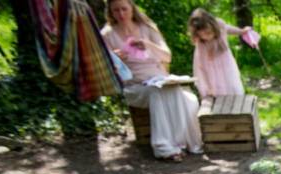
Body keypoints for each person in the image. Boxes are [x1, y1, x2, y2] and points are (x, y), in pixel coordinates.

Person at [102, 0, 203, 162]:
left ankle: (181, 143)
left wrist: (147, 44)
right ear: (110, 12)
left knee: (175, 90)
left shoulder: (147, 28)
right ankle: (164, 148)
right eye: (116, 11)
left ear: (132, 8)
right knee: (156, 92)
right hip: (133, 86)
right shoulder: (107, 34)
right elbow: (104, 67)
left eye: (124, 9)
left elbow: (167, 56)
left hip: (158, 78)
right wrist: (115, 59)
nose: (121, 14)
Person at [188, 7, 250, 99]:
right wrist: (209, 87)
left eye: (208, 33)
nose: (206, 37)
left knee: (230, 83)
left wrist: (241, 31)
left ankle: (234, 102)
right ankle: (218, 104)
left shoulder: (219, 25)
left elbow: (229, 29)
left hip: (225, 63)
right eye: (202, 35)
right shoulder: (201, 42)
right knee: (216, 88)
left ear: (213, 26)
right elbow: (201, 65)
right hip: (209, 67)